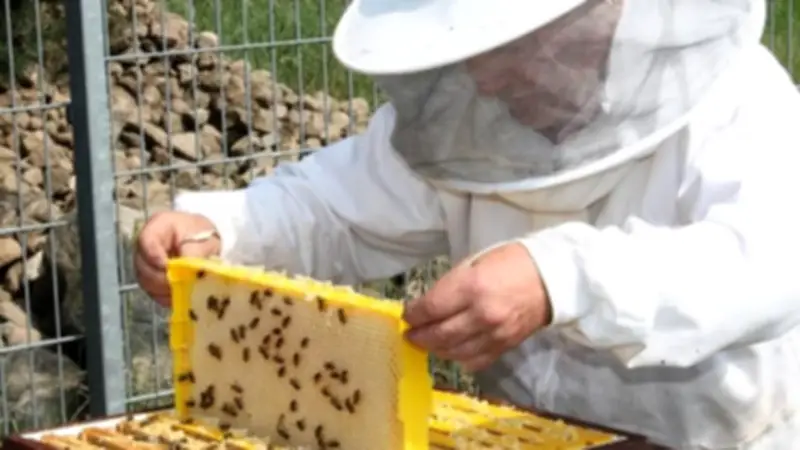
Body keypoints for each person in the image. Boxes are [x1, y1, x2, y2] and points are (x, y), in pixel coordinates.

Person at [134, 0, 800, 447]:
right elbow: (334, 208)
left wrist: (556, 278)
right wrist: (224, 229)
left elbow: (765, 262)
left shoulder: (745, 108)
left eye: (507, 47)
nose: (482, 77)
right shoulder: (470, 119)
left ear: (593, 20)